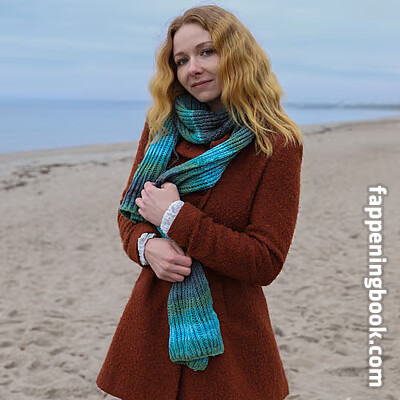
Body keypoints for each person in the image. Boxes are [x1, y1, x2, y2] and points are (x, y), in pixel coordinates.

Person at [96, 5, 303, 400]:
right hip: (151, 332)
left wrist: (175, 217)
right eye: (181, 60)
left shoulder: (276, 144)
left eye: (207, 51)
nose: (193, 68)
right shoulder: (161, 126)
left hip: (231, 340)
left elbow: (265, 261)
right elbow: (129, 214)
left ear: (237, 55)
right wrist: (146, 247)